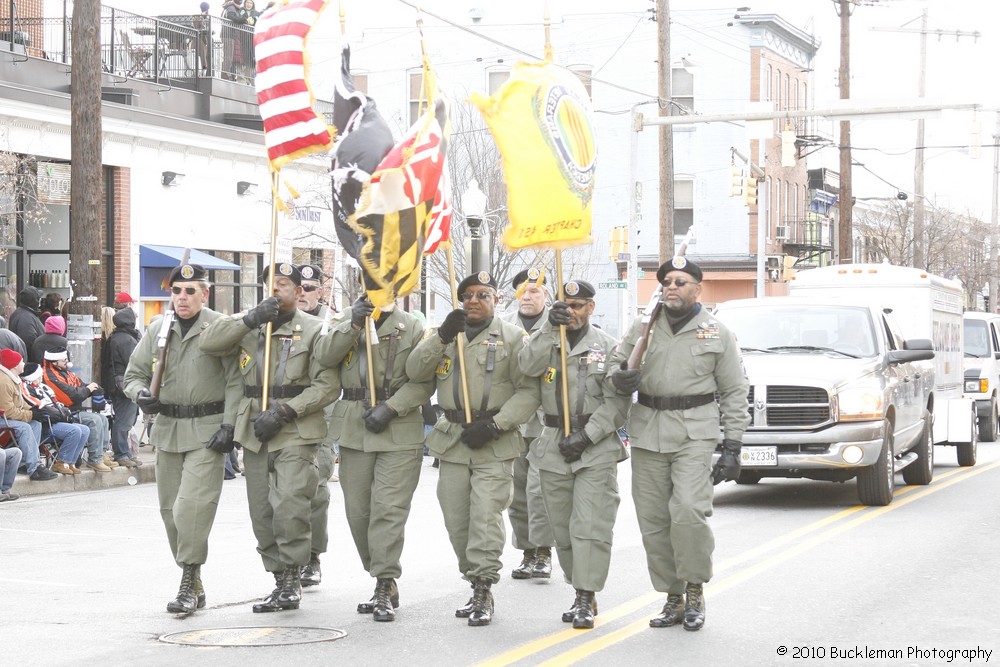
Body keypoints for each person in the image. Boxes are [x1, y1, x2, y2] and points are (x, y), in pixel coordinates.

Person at [607, 257, 749, 631]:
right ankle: (672, 596)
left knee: (687, 512)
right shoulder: (643, 327)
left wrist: (733, 444)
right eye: (667, 281)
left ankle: (695, 588)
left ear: (697, 289)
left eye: (681, 282)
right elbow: (614, 365)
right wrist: (619, 379)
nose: (672, 287)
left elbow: (734, 390)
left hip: (694, 434)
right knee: (653, 521)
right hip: (648, 431)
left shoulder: (716, 332)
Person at [200, 262, 339, 613]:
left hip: (295, 429)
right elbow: (210, 343)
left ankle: (294, 575)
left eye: (285, 285)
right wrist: (249, 319)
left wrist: (285, 411)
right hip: (256, 430)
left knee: (290, 503)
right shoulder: (252, 326)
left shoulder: (314, 329)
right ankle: (278, 577)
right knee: (261, 510)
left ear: (299, 290)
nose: (277, 290)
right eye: (271, 284)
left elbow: (327, 385)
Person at [405, 271, 540, 627]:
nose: (474, 301)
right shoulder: (446, 335)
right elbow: (416, 372)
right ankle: (472, 576)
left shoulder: (513, 338)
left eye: (483, 295)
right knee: (457, 519)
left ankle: (483, 587)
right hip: (453, 439)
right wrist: (444, 336)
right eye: (468, 295)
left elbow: (529, 390)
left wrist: (497, 424)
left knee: (486, 516)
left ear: (497, 300)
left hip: (494, 439)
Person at [124, 262, 242, 615]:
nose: (182, 297)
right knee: (170, 511)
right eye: (176, 291)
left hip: (207, 431)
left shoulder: (219, 328)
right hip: (168, 430)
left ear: (205, 293)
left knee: (192, 509)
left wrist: (230, 425)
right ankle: (195, 579)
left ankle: (188, 579)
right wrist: (141, 393)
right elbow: (133, 375)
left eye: (191, 291)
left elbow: (236, 379)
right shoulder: (159, 327)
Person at [314, 292, 433, 622]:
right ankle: (379, 572)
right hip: (354, 426)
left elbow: (424, 381)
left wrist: (392, 407)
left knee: (388, 510)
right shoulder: (347, 321)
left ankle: (384, 581)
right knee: (359, 513)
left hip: (398, 425)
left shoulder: (412, 327)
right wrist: (353, 322)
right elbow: (324, 357)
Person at [518, 280, 629, 628]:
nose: (573, 312)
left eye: (579, 305)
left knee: (590, 525)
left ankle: (585, 594)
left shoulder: (610, 348)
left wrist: (587, 436)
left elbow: (617, 403)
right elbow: (526, 366)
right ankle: (578, 585)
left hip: (594, 447)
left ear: (591, 308)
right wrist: (550, 325)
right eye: (567, 305)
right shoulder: (547, 342)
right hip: (552, 444)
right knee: (563, 528)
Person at [500, 267, 555, 580]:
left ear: (545, 294)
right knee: (516, 492)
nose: (528, 296)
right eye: (523, 290)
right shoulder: (504, 326)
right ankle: (527, 551)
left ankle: (544, 551)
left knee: (540, 490)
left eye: (535, 290)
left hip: (546, 421)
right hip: (513, 421)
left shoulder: (558, 324)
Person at [294, 263, 336, 588]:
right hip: (285, 420)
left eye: (310, 288)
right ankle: (288, 560)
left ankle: (313, 557)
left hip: (320, 418)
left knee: (316, 490)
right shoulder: (280, 322)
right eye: (299, 288)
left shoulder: (330, 324)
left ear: (320, 291)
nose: (303, 294)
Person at [42, 348, 116, 472]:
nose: (67, 362)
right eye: (64, 360)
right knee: (94, 420)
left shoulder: (65, 372)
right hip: (64, 413)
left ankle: (102, 454)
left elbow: (80, 386)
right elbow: (71, 397)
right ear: (54, 362)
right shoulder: (49, 376)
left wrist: (93, 388)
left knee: (103, 419)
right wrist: (88, 390)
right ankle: (94, 459)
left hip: (73, 411)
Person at [20, 362, 89, 476]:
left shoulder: (44, 387)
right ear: (32, 377)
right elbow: (39, 407)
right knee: (74, 431)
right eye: (39, 375)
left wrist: (64, 412)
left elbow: (57, 403)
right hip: (45, 423)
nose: (41, 377)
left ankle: (71, 462)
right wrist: (59, 414)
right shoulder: (26, 388)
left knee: (85, 429)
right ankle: (61, 461)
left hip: (56, 419)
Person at [0, 349, 56, 481]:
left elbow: (19, 403)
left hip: (7, 416)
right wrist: (31, 414)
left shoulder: (12, 378)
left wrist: (35, 409)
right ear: (14, 365)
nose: (24, 363)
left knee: (35, 424)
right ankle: (34, 468)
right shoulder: (3, 382)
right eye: (21, 361)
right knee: (25, 427)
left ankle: (27, 462)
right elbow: (8, 412)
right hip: (3, 417)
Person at [104, 307, 143, 467]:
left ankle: (124, 452)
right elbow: (134, 363)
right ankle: (122, 454)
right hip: (125, 383)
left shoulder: (115, 337)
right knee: (124, 420)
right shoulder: (126, 340)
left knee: (125, 418)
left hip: (116, 383)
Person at [9, 286, 44, 353]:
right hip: (29, 359)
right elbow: (28, 342)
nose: (40, 300)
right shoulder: (26, 317)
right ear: (35, 300)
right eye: (39, 298)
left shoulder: (22, 313)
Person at [221, 0, 249, 82]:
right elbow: (231, 17)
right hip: (228, 35)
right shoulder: (231, 7)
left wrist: (242, 18)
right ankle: (224, 75)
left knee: (229, 56)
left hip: (231, 35)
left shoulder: (234, 8)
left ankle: (226, 74)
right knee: (228, 56)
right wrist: (241, 20)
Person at [195, 2, 213, 76]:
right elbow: (199, 27)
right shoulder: (199, 17)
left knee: (206, 52)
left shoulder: (206, 17)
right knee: (204, 50)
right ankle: (204, 69)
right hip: (200, 40)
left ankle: (206, 70)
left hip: (204, 40)